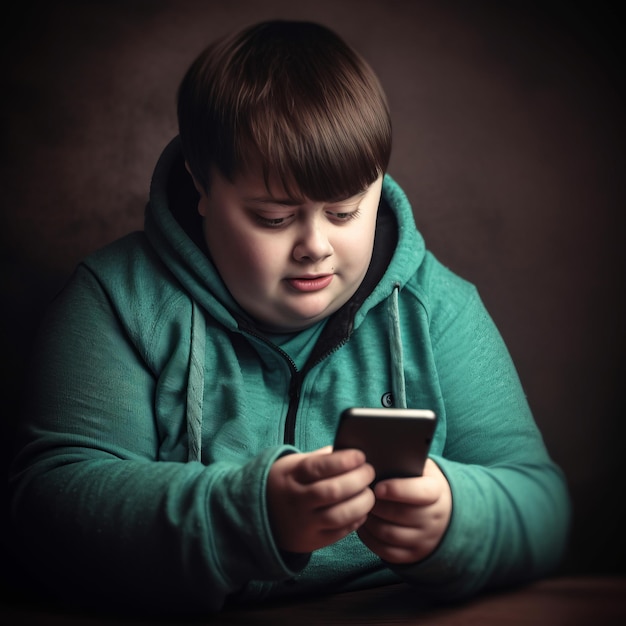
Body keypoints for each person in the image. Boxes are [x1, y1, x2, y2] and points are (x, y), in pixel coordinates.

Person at [8, 20, 570, 615]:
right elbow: (48, 509)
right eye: (274, 218)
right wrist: (249, 515)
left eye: (346, 211)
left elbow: (542, 506)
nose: (315, 246)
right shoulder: (116, 299)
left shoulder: (438, 307)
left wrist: (455, 516)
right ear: (201, 184)